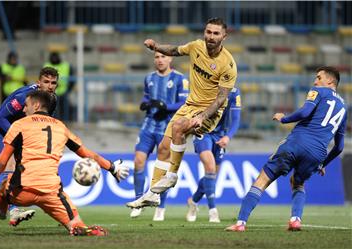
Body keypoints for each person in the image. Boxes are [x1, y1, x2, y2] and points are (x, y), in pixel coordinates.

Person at [126, 17, 237, 209]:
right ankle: (152, 194)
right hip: (189, 105)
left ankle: (172, 175)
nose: (211, 36)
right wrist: (156, 47)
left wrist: (202, 116)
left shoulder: (228, 65)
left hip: (209, 111)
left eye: (216, 33)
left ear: (224, 36)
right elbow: (175, 51)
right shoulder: (196, 47)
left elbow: (221, 98)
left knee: (178, 127)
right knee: (163, 147)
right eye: (208, 32)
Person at [225, 66, 347, 232]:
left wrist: (284, 119)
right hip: (317, 152)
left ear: (330, 81)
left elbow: (305, 112)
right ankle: (295, 220)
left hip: (297, 141)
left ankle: (240, 223)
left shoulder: (319, 91)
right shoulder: (343, 108)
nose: (315, 81)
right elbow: (339, 147)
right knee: (298, 183)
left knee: (262, 180)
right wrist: (323, 163)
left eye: (319, 77)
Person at [0, 90, 129, 236]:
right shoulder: (61, 127)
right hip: (52, 193)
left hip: (21, 191)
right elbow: (88, 154)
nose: (24, 109)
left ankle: (2, 212)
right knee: (77, 226)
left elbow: (1, 162)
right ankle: (86, 230)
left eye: (26, 105)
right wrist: (112, 167)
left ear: (36, 105)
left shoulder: (19, 125)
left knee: (3, 186)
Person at [0, 66, 58, 226]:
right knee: (6, 167)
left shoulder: (52, 100)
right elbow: (0, 117)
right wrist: (19, 136)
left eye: (53, 83)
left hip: (17, 132)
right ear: (38, 83)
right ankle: (3, 207)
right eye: (46, 82)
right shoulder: (24, 97)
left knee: (18, 171)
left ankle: (12, 211)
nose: (50, 86)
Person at [130, 51, 189, 221]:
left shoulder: (180, 79)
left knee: (163, 169)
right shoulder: (149, 78)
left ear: (170, 58)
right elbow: (147, 97)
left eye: (163, 57)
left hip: (168, 128)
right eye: (157, 57)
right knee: (138, 161)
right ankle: (138, 201)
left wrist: (165, 106)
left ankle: (161, 207)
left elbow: (184, 103)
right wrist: (145, 103)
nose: (160, 60)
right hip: (148, 126)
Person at [186, 88, 241, 223]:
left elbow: (236, 119)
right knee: (210, 168)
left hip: (220, 136)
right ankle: (213, 211)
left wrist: (228, 137)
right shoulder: (205, 87)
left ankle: (194, 201)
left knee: (211, 176)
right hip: (202, 133)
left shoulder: (234, 92)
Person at [44, 52, 75, 121]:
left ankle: (64, 123)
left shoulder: (66, 65)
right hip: (51, 93)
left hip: (63, 92)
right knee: (53, 111)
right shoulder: (46, 65)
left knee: (65, 110)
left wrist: (68, 90)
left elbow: (72, 79)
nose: (54, 59)